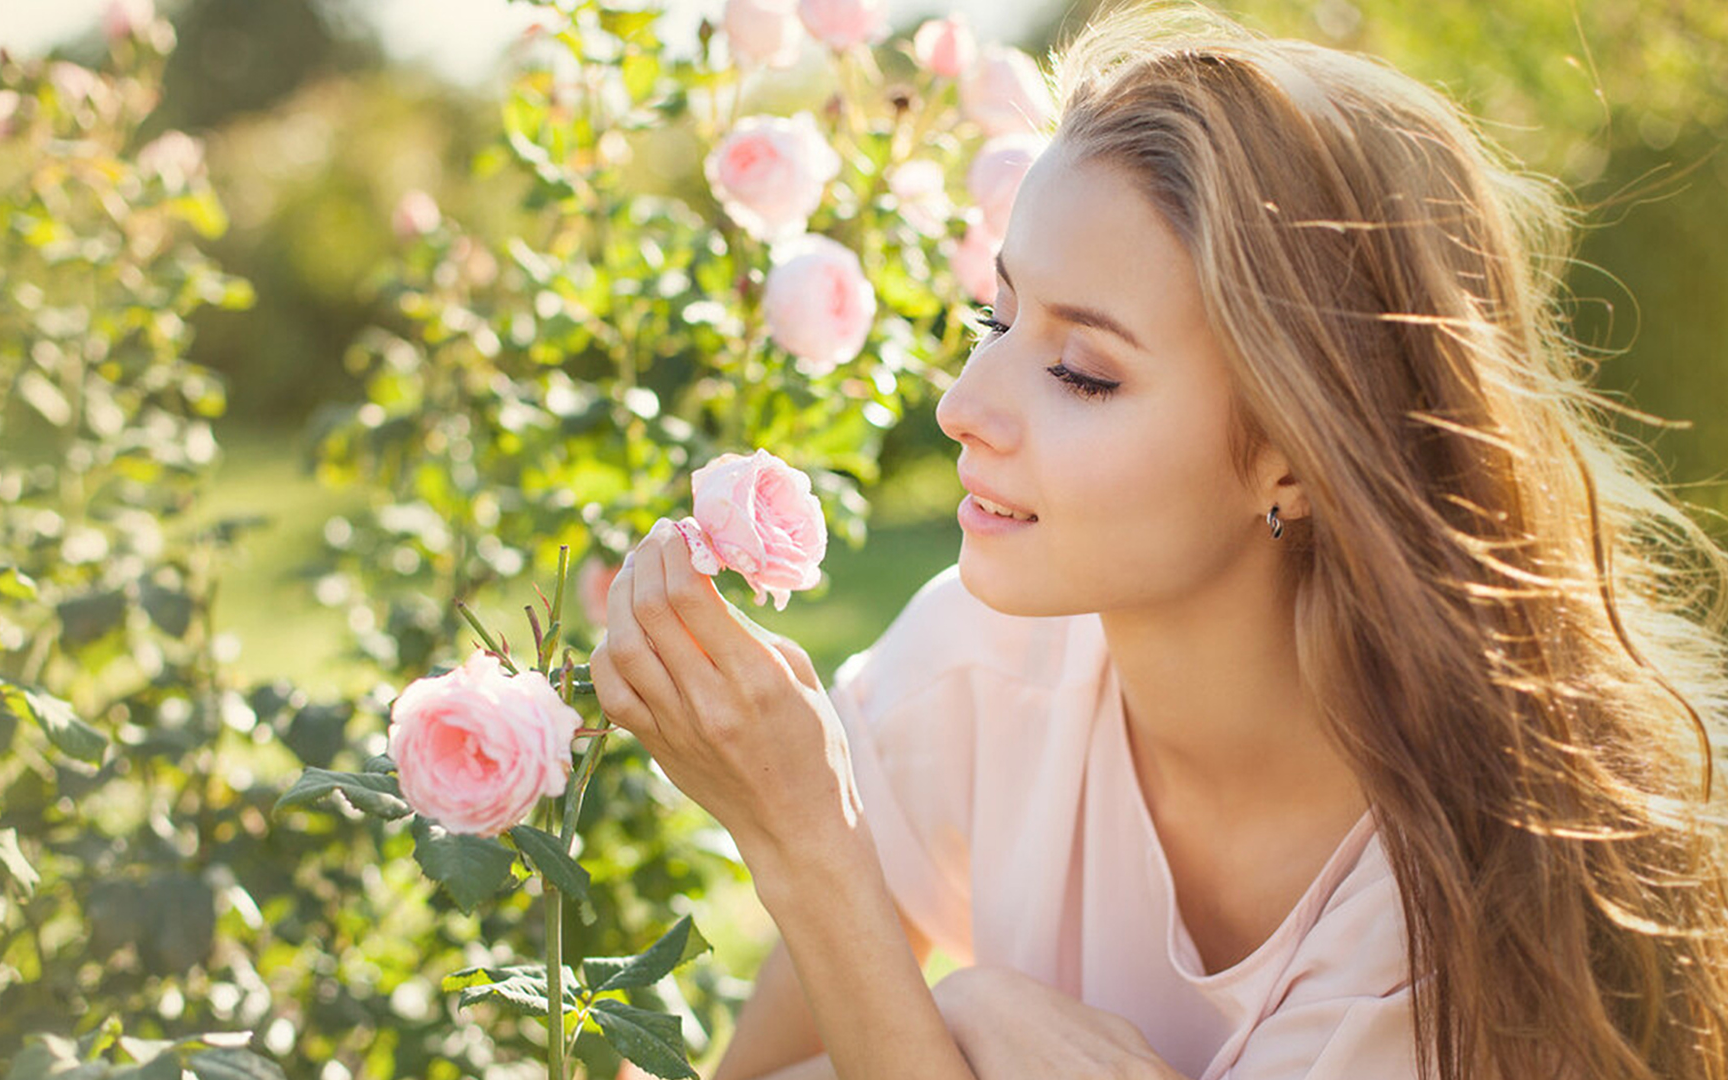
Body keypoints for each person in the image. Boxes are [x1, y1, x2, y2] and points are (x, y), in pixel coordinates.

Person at [588, 5, 1728, 1078]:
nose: (960, 406)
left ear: (1292, 451)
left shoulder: (1457, 882)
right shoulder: (980, 667)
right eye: (998, 317)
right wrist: (966, 1014)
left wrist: (809, 851)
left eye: (1082, 371)